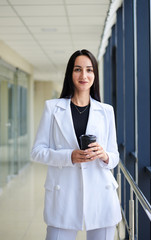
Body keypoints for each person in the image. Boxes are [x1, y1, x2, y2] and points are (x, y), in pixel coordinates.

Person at [31, 49, 122, 240]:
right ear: (70, 74)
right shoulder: (53, 108)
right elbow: (37, 152)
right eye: (78, 69)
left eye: (89, 70)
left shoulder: (106, 111)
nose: (83, 75)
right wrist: (68, 156)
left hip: (101, 195)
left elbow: (114, 157)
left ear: (95, 75)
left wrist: (104, 155)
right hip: (63, 194)